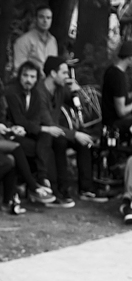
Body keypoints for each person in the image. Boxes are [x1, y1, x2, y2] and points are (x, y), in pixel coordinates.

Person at [0, 65, 55, 214]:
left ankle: (8, 201)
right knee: (17, 148)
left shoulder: (0, 98)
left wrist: (12, 128)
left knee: (12, 159)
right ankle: (33, 186)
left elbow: (4, 121)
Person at [38, 56, 107, 204]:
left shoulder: (60, 89)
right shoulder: (40, 93)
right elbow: (49, 123)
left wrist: (77, 91)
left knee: (83, 143)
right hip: (42, 132)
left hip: (58, 131)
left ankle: (86, 189)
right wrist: (75, 134)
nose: (67, 76)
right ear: (53, 73)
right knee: (61, 142)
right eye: (64, 73)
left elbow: (79, 106)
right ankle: (61, 190)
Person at [5, 60, 56, 196]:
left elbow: (36, 118)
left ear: (37, 79)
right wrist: (40, 129)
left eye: (32, 77)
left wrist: (38, 129)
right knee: (38, 147)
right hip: (12, 131)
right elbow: (18, 119)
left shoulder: (36, 94)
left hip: (29, 132)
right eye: (25, 76)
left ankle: (42, 177)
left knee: (46, 138)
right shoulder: (12, 92)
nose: (28, 80)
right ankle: (34, 183)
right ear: (19, 76)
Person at [12, 5, 59, 74]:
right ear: (35, 19)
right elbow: (19, 67)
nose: (45, 21)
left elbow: (55, 65)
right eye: (41, 17)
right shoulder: (23, 41)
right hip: (31, 81)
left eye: (48, 18)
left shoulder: (53, 41)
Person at [101, 40, 132, 135]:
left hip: (108, 120)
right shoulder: (118, 77)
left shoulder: (111, 70)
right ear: (130, 58)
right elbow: (121, 111)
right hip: (113, 124)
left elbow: (121, 95)